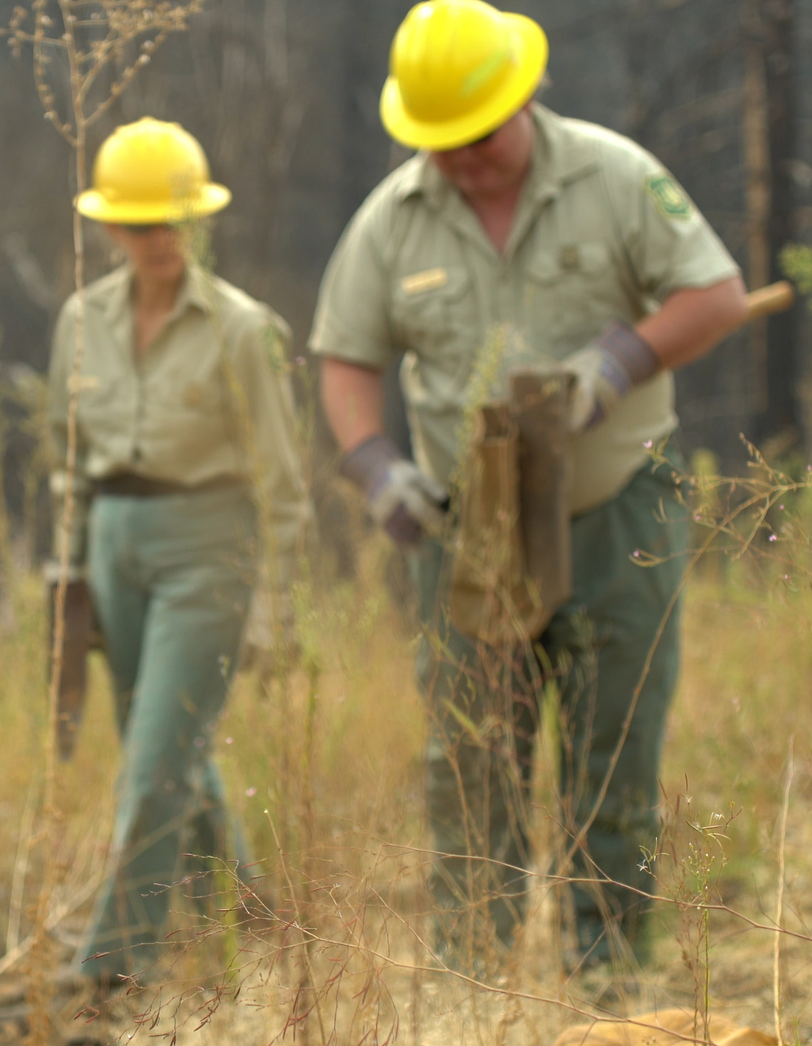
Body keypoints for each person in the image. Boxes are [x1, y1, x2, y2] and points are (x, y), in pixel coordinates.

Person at [311, 0, 748, 967]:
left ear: (526, 95)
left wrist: (620, 361)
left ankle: (608, 976)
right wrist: (377, 468)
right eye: (440, 143)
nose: (461, 159)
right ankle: (479, 980)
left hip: (614, 512)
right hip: (472, 532)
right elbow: (345, 359)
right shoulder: (392, 221)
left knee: (613, 748)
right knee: (473, 760)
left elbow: (714, 294)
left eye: (478, 136)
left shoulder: (615, 175)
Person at [48, 118, 309, 992]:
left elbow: (283, 483)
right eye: (139, 224)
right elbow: (68, 460)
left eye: (173, 222)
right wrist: (71, 574)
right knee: (172, 747)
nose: (157, 241)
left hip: (210, 547)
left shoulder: (244, 330)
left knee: (155, 760)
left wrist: (279, 605)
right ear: (110, 227)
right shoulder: (81, 322)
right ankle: (248, 910)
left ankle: (113, 965)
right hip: (116, 545)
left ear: (197, 223)